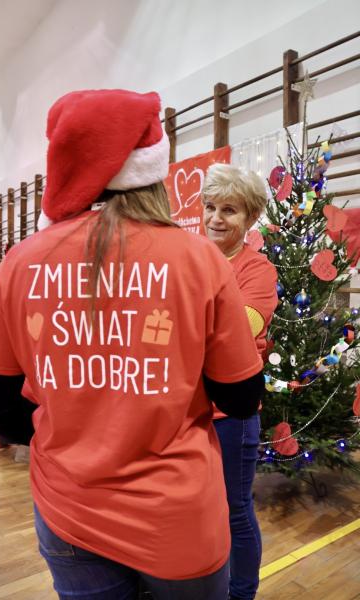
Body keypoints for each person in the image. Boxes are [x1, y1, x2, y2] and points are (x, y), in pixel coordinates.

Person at [0, 89, 264, 600]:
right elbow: (240, 398)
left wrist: (69, 420)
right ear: (154, 170)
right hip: (176, 514)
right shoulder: (199, 259)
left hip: (69, 508)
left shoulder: (20, 262)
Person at [202, 163, 278, 600]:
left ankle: (242, 593)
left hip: (231, 413)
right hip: (189, 409)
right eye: (211, 207)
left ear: (249, 218)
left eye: (229, 210)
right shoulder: (192, 257)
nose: (216, 218)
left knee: (234, 509)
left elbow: (244, 325)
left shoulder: (257, 269)